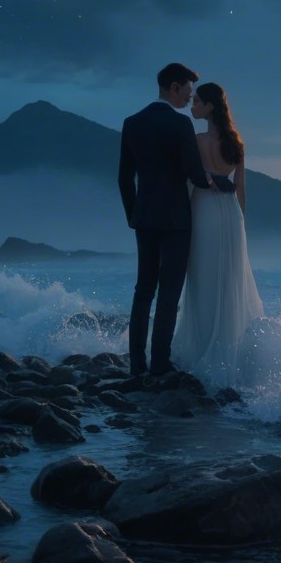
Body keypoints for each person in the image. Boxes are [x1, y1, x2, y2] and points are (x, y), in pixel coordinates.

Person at [118, 62, 213, 377]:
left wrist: (133, 214)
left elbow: (123, 178)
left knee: (143, 289)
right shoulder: (180, 125)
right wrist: (214, 181)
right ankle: (160, 363)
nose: (189, 96)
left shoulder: (132, 122)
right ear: (174, 87)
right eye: (187, 89)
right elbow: (193, 173)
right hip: (175, 220)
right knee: (169, 293)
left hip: (143, 217)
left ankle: (136, 364)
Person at [171, 81, 266, 389]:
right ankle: (229, 354)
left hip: (204, 212)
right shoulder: (236, 142)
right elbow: (241, 191)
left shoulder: (195, 139)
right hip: (231, 217)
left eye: (197, 101)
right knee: (227, 283)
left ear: (210, 106)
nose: (192, 105)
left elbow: (188, 179)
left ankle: (199, 349)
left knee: (202, 279)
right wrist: (240, 226)